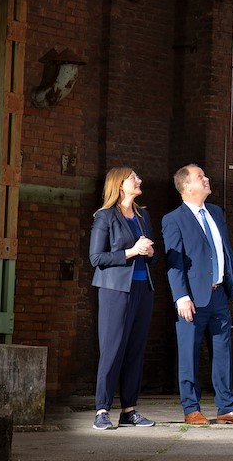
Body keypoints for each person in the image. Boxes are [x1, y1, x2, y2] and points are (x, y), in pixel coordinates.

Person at [161, 164, 233, 425]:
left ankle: (227, 408)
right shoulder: (173, 219)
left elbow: (225, 251)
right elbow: (174, 262)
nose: (206, 179)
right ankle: (191, 409)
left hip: (218, 296)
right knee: (189, 354)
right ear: (187, 186)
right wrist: (181, 297)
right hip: (191, 299)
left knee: (222, 353)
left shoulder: (215, 212)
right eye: (200, 177)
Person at [88, 167, 156, 431]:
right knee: (112, 350)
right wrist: (131, 251)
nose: (139, 181)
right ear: (119, 185)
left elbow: (153, 255)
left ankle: (129, 411)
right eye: (133, 178)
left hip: (142, 289)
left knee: (135, 351)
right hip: (114, 291)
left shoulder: (143, 215)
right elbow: (96, 258)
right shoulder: (104, 217)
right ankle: (101, 410)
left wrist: (149, 253)